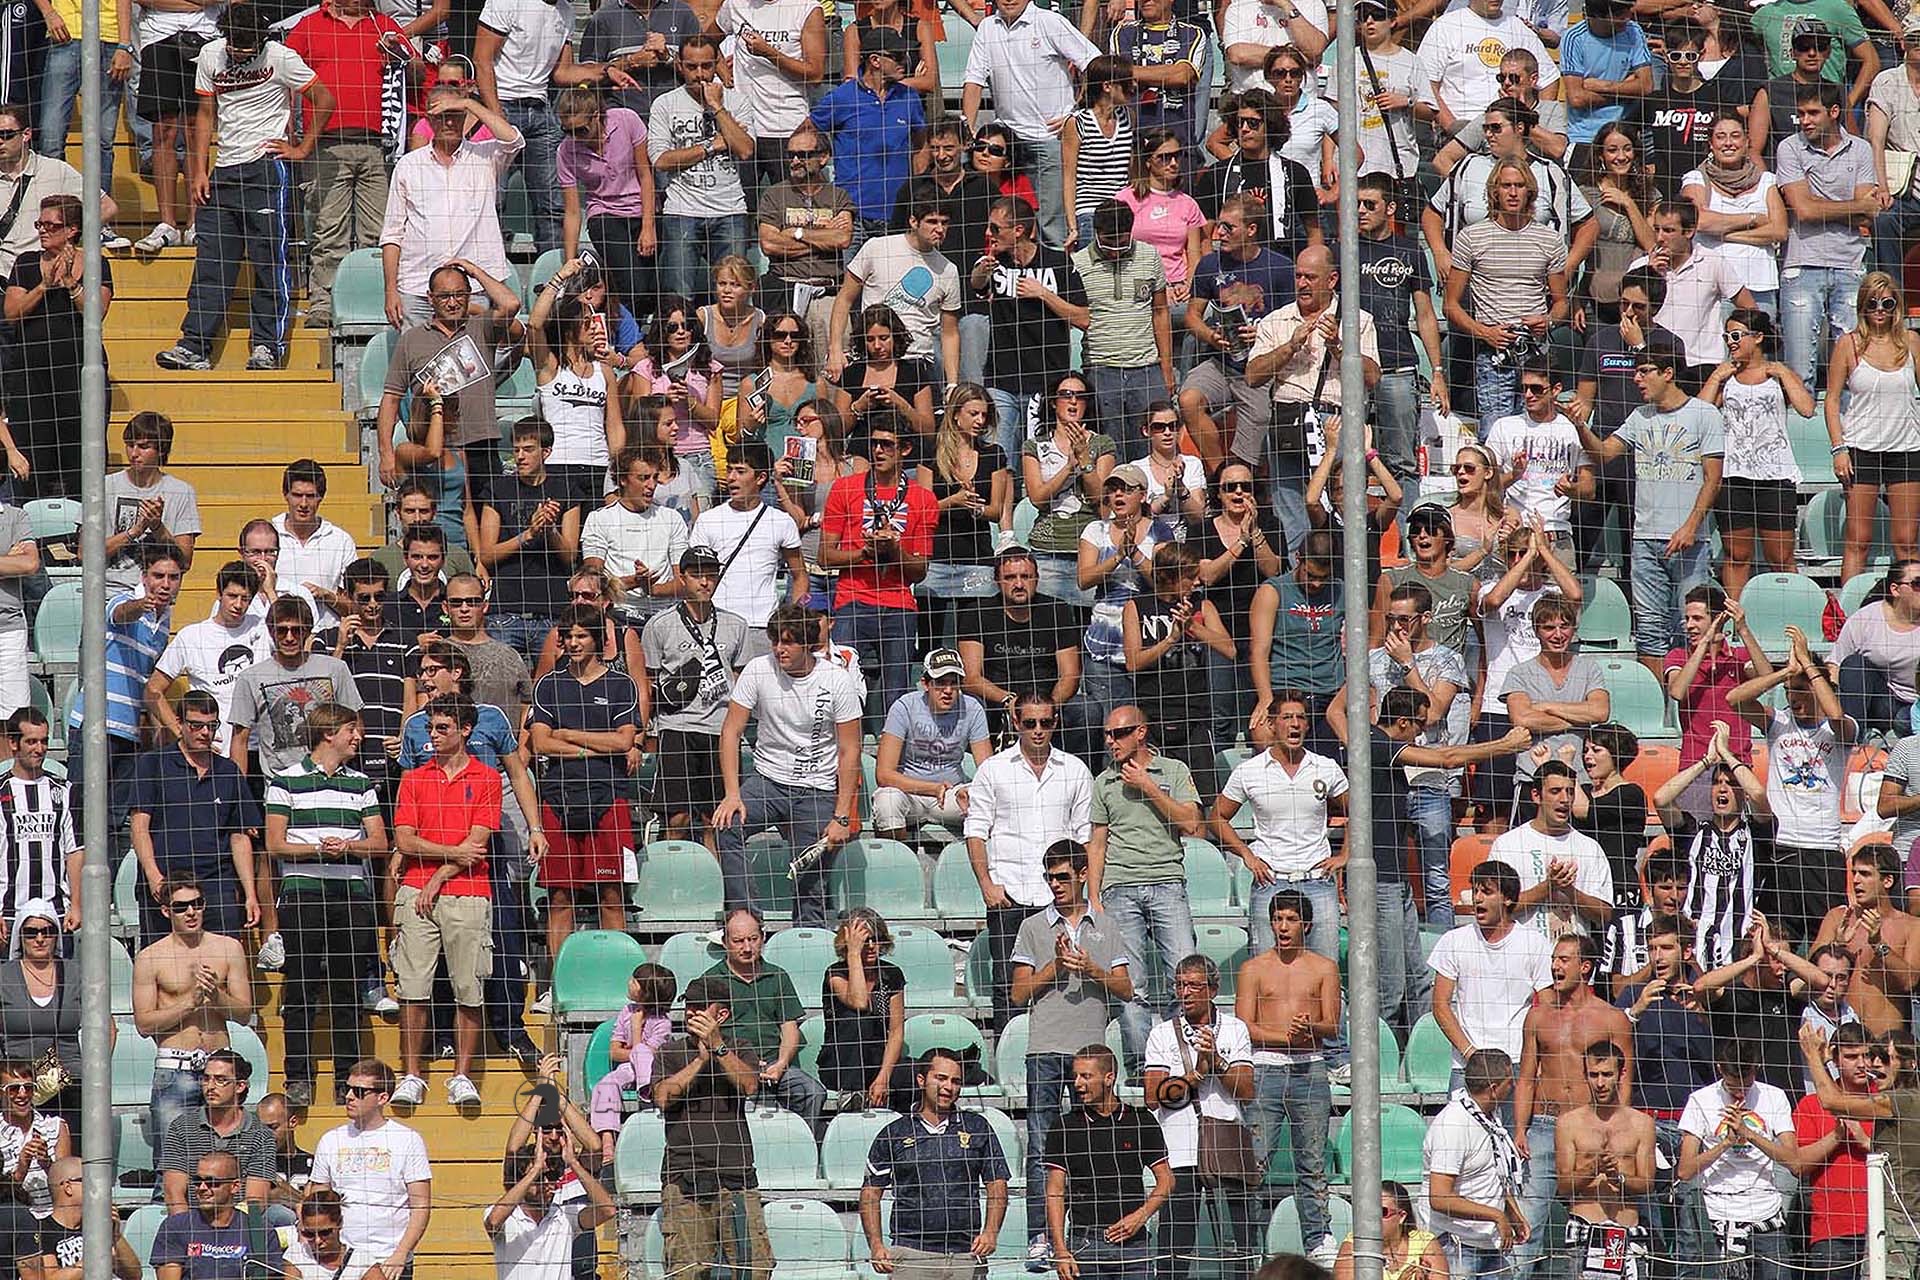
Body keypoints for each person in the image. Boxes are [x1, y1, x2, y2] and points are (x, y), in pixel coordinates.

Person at [151, 5, 333, 374]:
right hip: (224, 170)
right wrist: (199, 170)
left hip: (266, 169)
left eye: (248, 47)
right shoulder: (210, 54)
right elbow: (205, 113)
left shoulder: (281, 56)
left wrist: (301, 149)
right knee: (211, 263)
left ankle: (267, 346)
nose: (239, 53)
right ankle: (194, 346)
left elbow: (325, 99)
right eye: (235, 46)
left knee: (268, 261)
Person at [1570, 336, 1724, 676]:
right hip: (1644, 541)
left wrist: (1690, 526)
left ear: (1668, 373)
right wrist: (1580, 426)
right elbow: (1604, 453)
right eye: (1636, 372)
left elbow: (1714, 479)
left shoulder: (1705, 414)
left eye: (1644, 371)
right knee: (1650, 633)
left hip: (1690, 543)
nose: (1636, 379)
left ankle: (1686, 703)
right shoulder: (1639, 416)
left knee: (1692, 628)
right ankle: (1656, 702)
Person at [263, 705, 385, 1109]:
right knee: (300, 987)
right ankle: (298, 1075)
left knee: (347, 989)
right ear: (328, 733)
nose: (358, 737)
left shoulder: (361, 784)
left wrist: (348, 846)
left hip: (350, 895)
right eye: (351, 729)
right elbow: (275, 843)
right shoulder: (285, 781)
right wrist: (318, 849)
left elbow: (379, 842)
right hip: (303, 895)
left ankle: (347, 1078)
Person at [712, 605, 862, 926]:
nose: (779, 648)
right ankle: (746, 920)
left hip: (817, 787)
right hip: (768, 781)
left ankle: (808, 936)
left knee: (811, 882)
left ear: (807, 643)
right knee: (727, 824)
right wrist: (732, 794)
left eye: (788, 641)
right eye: (775, 641)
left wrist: (841, 815)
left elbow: (850, 750)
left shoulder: (837, 679)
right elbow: (731, 731)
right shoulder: (758, 669)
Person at [389, 693, 500, 1106]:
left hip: (467, 892)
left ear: (465, 730)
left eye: (442, 728)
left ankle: (462, 1076)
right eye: (430, 728)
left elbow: (479, 843)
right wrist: (452, 855)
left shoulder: (487, 777)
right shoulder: (414, 779)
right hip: (417, 890)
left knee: (468, 987)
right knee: (412, 987)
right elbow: (404, 840)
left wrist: (437, 872)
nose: (433, 736)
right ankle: (411, 1074)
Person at [283, 0, 418, 330]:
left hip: (378, 146)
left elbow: (416, 74)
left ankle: (375, 303)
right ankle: (324, 304)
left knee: (380, 233)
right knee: (329, 231)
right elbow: (283, 76)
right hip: (325, 145)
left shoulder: (384, 24)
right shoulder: (309, 26)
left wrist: (400, 54)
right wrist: (289, 127)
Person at [1510, 935, 1635, 1278]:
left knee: (1597, 1221)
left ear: (1585, 967)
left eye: (1563, 959)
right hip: (1543, 1125)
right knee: (1528, 1223)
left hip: (1589, 1128)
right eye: (1554, 959)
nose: (1555, 966)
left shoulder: (1611, 1019)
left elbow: (1624, 1079)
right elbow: (1526, 1077)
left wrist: (1615, 1129)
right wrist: (1520, 1129)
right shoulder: (1537, 1017)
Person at [1087, 704, 1202, 1070]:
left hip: (1167, 882)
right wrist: (1094, 897)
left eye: (1119, 733)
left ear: (1141, 733)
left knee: (1183, 975)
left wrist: (1148, 786)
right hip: (1120, 887)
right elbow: (1097, 843)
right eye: (1107, 734)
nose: (1111, 741)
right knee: (1131, 985)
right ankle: (1142, 1068)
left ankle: (1182, 1060)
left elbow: (1191, 824)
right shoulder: (1104, 782)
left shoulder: (1173, 770)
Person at [1245, 248, 1381, 546]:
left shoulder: (1357, 320)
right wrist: (1289, 348)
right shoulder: (1276, 321)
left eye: (1310, 277)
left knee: (1340, 506)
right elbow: (1252, 376)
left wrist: (1340, 347)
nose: (1302, 284)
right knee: (1290, 510)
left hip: (1337, 422)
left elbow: (1373, 378)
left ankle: (1345, 569)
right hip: (1288, 421)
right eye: (1298, 276)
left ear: (1332, 280)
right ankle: (1298, 569)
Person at [1234, 892, 1340, 1266]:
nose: (1282, 927)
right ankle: (1248, 1242)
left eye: (1291, 919)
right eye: (1277, 918)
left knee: (1311, 1161)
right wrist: (1286, 1037)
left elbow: (1332, 1024)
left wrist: (1310, 1028)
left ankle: (1318, 1238)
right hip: (1266, 1068)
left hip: (1310, 1068)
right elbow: (1244, 1025)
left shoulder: (1325, 967)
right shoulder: (1253, 968)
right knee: (1255, 1161)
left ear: (1305, 925)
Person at [528, 603, 639, 960]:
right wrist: (590, 749)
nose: (574, 643)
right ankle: (559, 981)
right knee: (560, 897)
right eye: (568, 636)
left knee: (611, 895)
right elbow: (540, 742)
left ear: (599, 639)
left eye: (582, 636)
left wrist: (569, 735)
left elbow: (624, 741)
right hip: (558, 798)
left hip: (608, 797)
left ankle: (617, 975)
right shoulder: (549, 685)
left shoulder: (620, 685)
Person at [1143, 954, 1258, 1280]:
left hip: (1226, 1148)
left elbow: (1246, 1091)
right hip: (1178, 1150)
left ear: (1213, 989)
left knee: (1240, 1245)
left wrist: (1216, 1061)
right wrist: (1195, 1074)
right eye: (1180, 985)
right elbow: (1152, 1096)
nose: (1185, 993)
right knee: (1175, 1249)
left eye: (1194, 985)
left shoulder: (1235, 1029)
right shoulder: (1162, 1033)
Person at [652, 974, 773, 1280]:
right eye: (688, 1006)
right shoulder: (669, 1051)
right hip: (684, 1178)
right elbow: (663, 1097)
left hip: (736, 1177)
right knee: (687, 1272)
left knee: (753, 1270)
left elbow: (749, 1085)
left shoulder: (740, 1048)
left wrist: (718, 1048)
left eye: (700, 1006)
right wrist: (700, 1061)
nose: (691, 1012)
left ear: (722, 1015)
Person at [1211, 690, 1349, 956]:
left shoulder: (1326, 767)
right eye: (1287, 717)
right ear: (1272, 724)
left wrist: (1346, 854)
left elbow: (1358, 811)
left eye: (1301, 718)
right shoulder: (1249, 771)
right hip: (1270, 880)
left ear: (1307, 725)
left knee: (1325, 963)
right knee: (1265, 964)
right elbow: (1217, 817)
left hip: (1317, 880)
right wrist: (1247, 855)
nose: (1294, 724)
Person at [860, 1047, 1012, 1280]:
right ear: (921, 1080)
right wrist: (876, 1244)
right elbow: (870, 1192)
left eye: (955, 1081)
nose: (948, 1087)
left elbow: (997, 1184)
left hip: (966, 1253)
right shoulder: (894, 1132)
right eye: (941, 1078)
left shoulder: (977, 1127)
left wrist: (991, 1232)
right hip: (911, 1253)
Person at [378, 90, 524, 331]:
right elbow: (392, 234)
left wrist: (468, 103)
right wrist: (390, 290)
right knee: (418, 353)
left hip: (473, 288)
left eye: (455, 114)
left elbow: (514, 140)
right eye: (441, 115)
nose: (448, 122)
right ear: (429, 119)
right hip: (417, 285)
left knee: (472, 353)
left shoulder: (486, 156)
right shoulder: (408, 165)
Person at [959, 0, 1100, 247]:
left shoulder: (1050, 21)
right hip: (1007, 144)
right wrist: (967, 127)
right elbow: (974, 80)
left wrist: (1078, 112)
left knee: (1051, 227)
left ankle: (1057, 270)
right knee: (1006, 223)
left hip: (1050, 140)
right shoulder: (987, 28)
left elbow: (1094, 63)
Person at [1444, 159, 1573, 423]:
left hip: (1535, 350)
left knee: (1536, 428)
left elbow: (1561, 303)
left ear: (1530, 191)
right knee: (1495, 429)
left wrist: (1548, 321)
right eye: (1506, 186)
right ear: (1495, 191)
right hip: (1493, 351)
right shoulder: (1471, 237)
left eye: (1519, 185)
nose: (1513, 193)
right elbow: (1450, 305)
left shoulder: (1549, 240)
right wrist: (1484, 332)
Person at [0, 194, 109, 500]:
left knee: (80, 455)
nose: (43, 230)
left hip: (79, 374)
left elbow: (97, 313)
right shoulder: (26, 263)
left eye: (51, 225)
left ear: (72, 229)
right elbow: (11, 313)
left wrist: (71, 283)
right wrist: (44, 285)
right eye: (40, 224)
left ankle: (81, 522)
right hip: (30, 377)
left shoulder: (96, 263)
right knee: (33, 456)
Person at [1776, 80, 1881, 385]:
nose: (1804, 121)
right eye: (1801, 114)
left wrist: (1817, 204)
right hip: (1802, 263)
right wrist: (1853, 207)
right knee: (1799, 369)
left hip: (1850, 263)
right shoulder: (1789, 147)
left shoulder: (1860, 149)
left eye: (1812, 113)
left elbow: (1869, 213)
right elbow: (1803, 211)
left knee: (1852, 368)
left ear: (1834, 112)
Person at [1699, 309, 1811, 593]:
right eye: (1727, 336)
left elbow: (1807, 408)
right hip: (1733, 476)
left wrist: (1783, 372)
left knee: (1781, 557)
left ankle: (1791, 608)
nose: (1731, 342)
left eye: (1736, 335)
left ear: (1758, 337)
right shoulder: (1726, 377)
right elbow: (1699, 414)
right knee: (1737, 556)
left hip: (1775, 476)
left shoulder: (1778, 375)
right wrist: (1716, 377)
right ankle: (1736, 614)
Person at [1042, 1044, 1173, 1280]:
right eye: (1075, 1076)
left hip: (1134, 1246)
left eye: (1086, 1076)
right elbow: (1055, 1191)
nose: (1077, 1084)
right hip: (1084, 1244)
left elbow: (1166, 1180)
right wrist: (1060, 1250)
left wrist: (1141, 1216)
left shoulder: (1141, 1120)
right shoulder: (1064, 1126)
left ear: (1109, 1078)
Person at [1676, 1037, 1799, 1280]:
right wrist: (1725, 1143)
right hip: (1717, 1216)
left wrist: (1749, 1134)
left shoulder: (1774, 1097)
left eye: (1747, 1084)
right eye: (1733, 1086)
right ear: (1720, 1069)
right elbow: (1685, 1170)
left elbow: (1793, 1161)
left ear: (1756, 1068)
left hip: (1766, 1215)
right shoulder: (1700, 1100)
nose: (1741, 1092)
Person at [1826, 271, 1920, 586]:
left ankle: (1913, 604)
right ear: (1862, 306)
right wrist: (1838, 448)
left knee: (1906, 541)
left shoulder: (1911, 341)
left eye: (1886, 303)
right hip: (1860, 447)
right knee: (1858, 540)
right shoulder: (1848, 343)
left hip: (1906, 447)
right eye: (1872, 303)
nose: (1879, 310)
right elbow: (1831, 400)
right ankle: (1848, 610)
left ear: (1897, 306)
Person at [1430, 862, 1556, 1085]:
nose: (1477, 898)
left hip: (1516, 1062)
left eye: (1486, 892)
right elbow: (1440, 1005)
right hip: (1467, 1064)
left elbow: (1548, 1007)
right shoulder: (1454, 941)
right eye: (1475, 891)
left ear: (1507, 899)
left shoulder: (1534, 943)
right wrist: (1471, 1054)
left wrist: (1536, 1058)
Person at [306, 1059, 432, 1280]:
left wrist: (401, 1254)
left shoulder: (408, 1140)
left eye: (359, 1091)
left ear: (382, 1097)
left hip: (388, 1259)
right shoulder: (330, 1140)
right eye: (347, 1088)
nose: (349, 1096)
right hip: (341, 1259)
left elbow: (421, 1205)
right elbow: (318, 1200)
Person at [526, 259, 628, 508]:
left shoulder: (604, 372)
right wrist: (560, 277)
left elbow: (614, 426)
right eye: (586, 322)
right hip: (558, 466)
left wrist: (617, 470)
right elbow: (534, 324)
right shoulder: (550, 366)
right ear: (569, 325)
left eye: (594, 323)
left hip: (599, 467)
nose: (593, 328)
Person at [1553, 1041, 1656, 1280]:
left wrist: (1617, 1177)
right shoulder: (1568, 1123)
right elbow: (1564, 1185)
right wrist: (1593, 1169)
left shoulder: (1642, 1124)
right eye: (1593, 1075)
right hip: (1584, 1229)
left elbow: (1647, 1183)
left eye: (1607, 1075)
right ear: (1584, 1075)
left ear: (1621, 1074)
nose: (1600, 1083)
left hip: (1627, 1230)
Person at [827, 202, 962, 385]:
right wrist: (835, 349)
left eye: (944, 223)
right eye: (932, 221)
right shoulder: (877, 248)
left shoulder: (948, 270)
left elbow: (950, 332)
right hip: (873, 357)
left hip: (918, 361)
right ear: (913, 221)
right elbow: (844, 299)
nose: (940, 229)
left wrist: (952, 383)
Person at [1422, 1048, 1530, 1277]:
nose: (1513, 1086)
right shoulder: (1453, 1125)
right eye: (1509, 1081)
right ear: (1493, 1088)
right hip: (1457, 1246)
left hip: (1489, 1242)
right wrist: (1496, 1215)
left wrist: (1512, 1213)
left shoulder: (1490, 1116)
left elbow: (1494, 1171)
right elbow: (1439, 1197)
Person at [869, 650, 991, 847]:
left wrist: (971, 790)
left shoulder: (972, 708)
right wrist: (932, 788)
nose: (948, 690)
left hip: (951, 794)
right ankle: (899, 859)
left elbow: (988, 769)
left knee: (987, 801)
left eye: (954, 683)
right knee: (886, 801)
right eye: (940, 683)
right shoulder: (904, 707)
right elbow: (883, 775)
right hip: (908, 793)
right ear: (925, 683)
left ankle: (979, 862)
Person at [1491, 761, 1617, 940]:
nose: (1565, 799)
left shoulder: (1589, 847)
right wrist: (1548, 887)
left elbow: (1604, 915)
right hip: (1523, 953)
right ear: (1536, 796)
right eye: (1555, 791)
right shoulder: (1508, 845)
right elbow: (1497, 907)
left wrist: (1570, 891)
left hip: (1573, 955)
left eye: (1570, 791)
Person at [1813, 846, 1920, 1035]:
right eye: (1854, 873)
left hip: (1885, 1040)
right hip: (1839, 1038)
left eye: (1865, 874)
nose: (1855, 880)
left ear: (1887, 881)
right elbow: (1809, 976)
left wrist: (1879, 945)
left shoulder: (1911, 926)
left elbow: (1910, 981)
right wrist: (1837, 946)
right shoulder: (1837, 918)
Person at [156, 1047, 274, 1217]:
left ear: (240, 1086)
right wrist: (187, 1228)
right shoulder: (181, 1127)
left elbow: (255, 1200)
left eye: (221, 1080)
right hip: (192, 1220)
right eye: (206, 1079)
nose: (210, 1086)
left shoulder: (260, 1135)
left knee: (281, 1216)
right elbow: (174, 1195)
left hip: (240, 1223)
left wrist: (228, 1228)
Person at [816, 907, 912, 1113]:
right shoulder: (835, 973)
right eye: (863, 940)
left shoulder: (891, 974)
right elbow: (859, 1001)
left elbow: (896, 1032)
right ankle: (852, 1101)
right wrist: (853, 953)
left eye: (876, 939)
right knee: (858, 1018)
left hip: (876, 1060)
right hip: (841, 1062)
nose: (870, 946)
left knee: (916, 1075)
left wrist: (883, 1077)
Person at [485, 1141, 616, 1280]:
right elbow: (493, 1222)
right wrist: (535, 1170)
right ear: (521, 1180)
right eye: (538, 1178)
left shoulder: (565, 1216)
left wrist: (574, 1163)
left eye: (552, 1176)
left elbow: (608, 1211)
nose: (546, 1183)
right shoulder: (507, 1216)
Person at [151, 1153, 282, 1280]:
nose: (202, 1188)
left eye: (212, 1182)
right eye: (197, 1181)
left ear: (235, 1186)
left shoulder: (260, 1231)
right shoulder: (176, 1226)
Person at [39, 1155, 143, 1280]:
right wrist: (95, 1256)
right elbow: (50, 1278)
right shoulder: (42, 1230)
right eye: (89, 1180)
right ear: (68, 1187)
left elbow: (135, 1275)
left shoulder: (97, 1225)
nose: (96, 1187)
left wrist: (115, 1235)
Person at [1331, 1182, 1444, 1280]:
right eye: (1368, 1211)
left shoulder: (1424, 1243)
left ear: (1402, 1216)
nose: (1373, 1217)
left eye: (1382, 1211)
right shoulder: (1355, 1244)